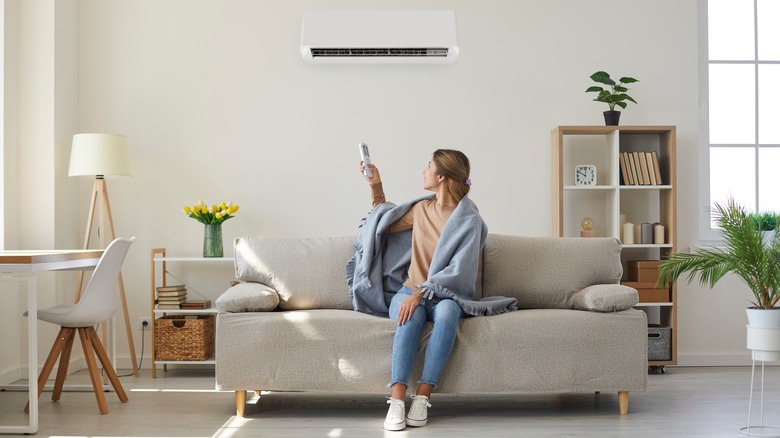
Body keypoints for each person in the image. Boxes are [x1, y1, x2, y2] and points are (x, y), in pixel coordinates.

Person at [353, 149, 513, 431]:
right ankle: (397, 399)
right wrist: (375, 186)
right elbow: (383, 223)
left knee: (449, 312)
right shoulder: (421, 210)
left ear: (441, 176)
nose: (423, 171)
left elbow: (459, 272)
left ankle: (423, 397)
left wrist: (421, 294)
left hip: (446, 295)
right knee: (410, 316)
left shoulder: (469, 220)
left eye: (428, 166)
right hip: (408, 290)